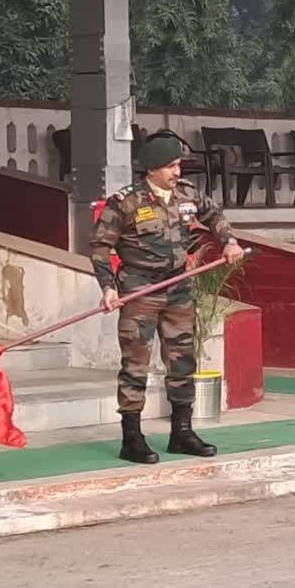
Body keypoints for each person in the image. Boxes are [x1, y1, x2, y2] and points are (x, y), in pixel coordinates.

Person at [90, 132, 245, 464]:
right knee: (135, 366)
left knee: (182, 361)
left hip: (178, 289)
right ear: (153, 168)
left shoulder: (187, 194)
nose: (178, 172)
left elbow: (214, 214)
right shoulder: (125, 202)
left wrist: (229, 242)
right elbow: (101, 248)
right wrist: (108, 287)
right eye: (172, 166)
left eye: (178, 165)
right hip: (140, 292)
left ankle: (182, 432)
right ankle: (132, 437)